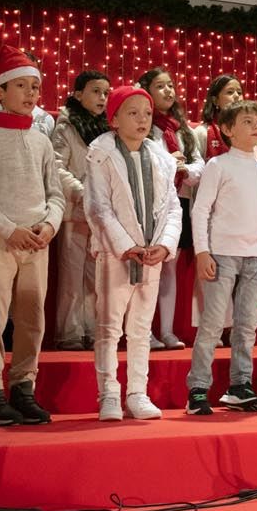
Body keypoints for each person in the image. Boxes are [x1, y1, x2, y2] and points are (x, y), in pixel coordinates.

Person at [0, 45, 63, 428]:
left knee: (32, 318)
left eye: (34, 87)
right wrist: (9, 229)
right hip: (0, 239)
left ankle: (23, 387)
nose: (29, 94)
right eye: (20, 85)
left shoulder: (40, 141)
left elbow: (55, 193)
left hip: (37, 242)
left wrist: (49, 225)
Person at [86, 84, 182, 421]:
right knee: (109, 326)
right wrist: (126, 246)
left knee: (141, 328)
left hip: (151, 254)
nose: (142, 119)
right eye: (133, 112)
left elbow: (172, 207)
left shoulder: (159, 157)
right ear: (114, 120)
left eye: (146, 112)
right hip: (118, 254)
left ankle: (137, 392)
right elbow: (98, 207)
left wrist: (165, 244)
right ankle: (109, 392)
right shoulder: (100, 154)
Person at [187, 99, 257, 416]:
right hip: (222, 253)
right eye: (247, 121)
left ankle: (240, 385)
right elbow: (201, 210)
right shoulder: (218, 165)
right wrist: (202, 252)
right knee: (212, 324)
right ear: (227, 129)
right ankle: (198, 388)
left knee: (247, 325)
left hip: (254, 256)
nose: (256, 127)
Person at [50, 69, 111, 349]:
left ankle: (90, 330)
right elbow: (57, 166)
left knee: (95, 276)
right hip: (76, 210)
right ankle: (70, 333)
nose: (102, 98)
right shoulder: (66, 126)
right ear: (78, 94)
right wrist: (82, 191)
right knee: (71, 275)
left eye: (106, 93)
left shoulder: (108, 129)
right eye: (96, 91)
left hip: (100, 212)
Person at [140, 66, 198, 351]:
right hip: (149, 203)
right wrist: (167, 160)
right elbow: (142, 160)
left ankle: (167, 330)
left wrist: (184, 167)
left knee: (169, 269)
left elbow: (199, 165)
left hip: (178, 201)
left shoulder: (181, 129)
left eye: (171, 85)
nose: (168, 91)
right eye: (161, 86)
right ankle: (145, 330)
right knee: (147, 269)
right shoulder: (143, 124)